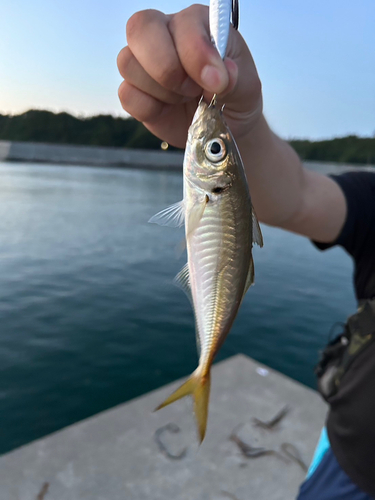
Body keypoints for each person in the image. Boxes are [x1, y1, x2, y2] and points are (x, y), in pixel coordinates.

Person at [117, 5, 375, 499]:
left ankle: (201, 374)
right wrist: (244, 125)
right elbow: (297, 196)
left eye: (215, 151)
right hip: (347, 462)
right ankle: (203, 371)